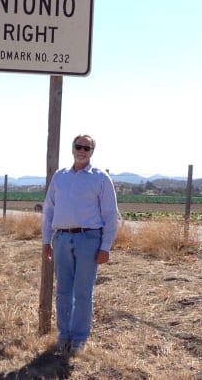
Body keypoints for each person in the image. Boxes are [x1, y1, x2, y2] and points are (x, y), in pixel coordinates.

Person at [41, 134, 119, 354]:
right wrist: (47, 240)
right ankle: (63, 335)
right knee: (63, 291)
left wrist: (105, 247)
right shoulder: (60, 177)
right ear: (73, 148)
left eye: (87, 147)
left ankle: (78, 339)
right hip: (62, 239)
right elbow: (49, 210)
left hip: (89, 240)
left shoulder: (100, 178)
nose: (82, 150)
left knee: (82, 291)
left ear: (92, 151)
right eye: (79, 146)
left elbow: (110, 215)